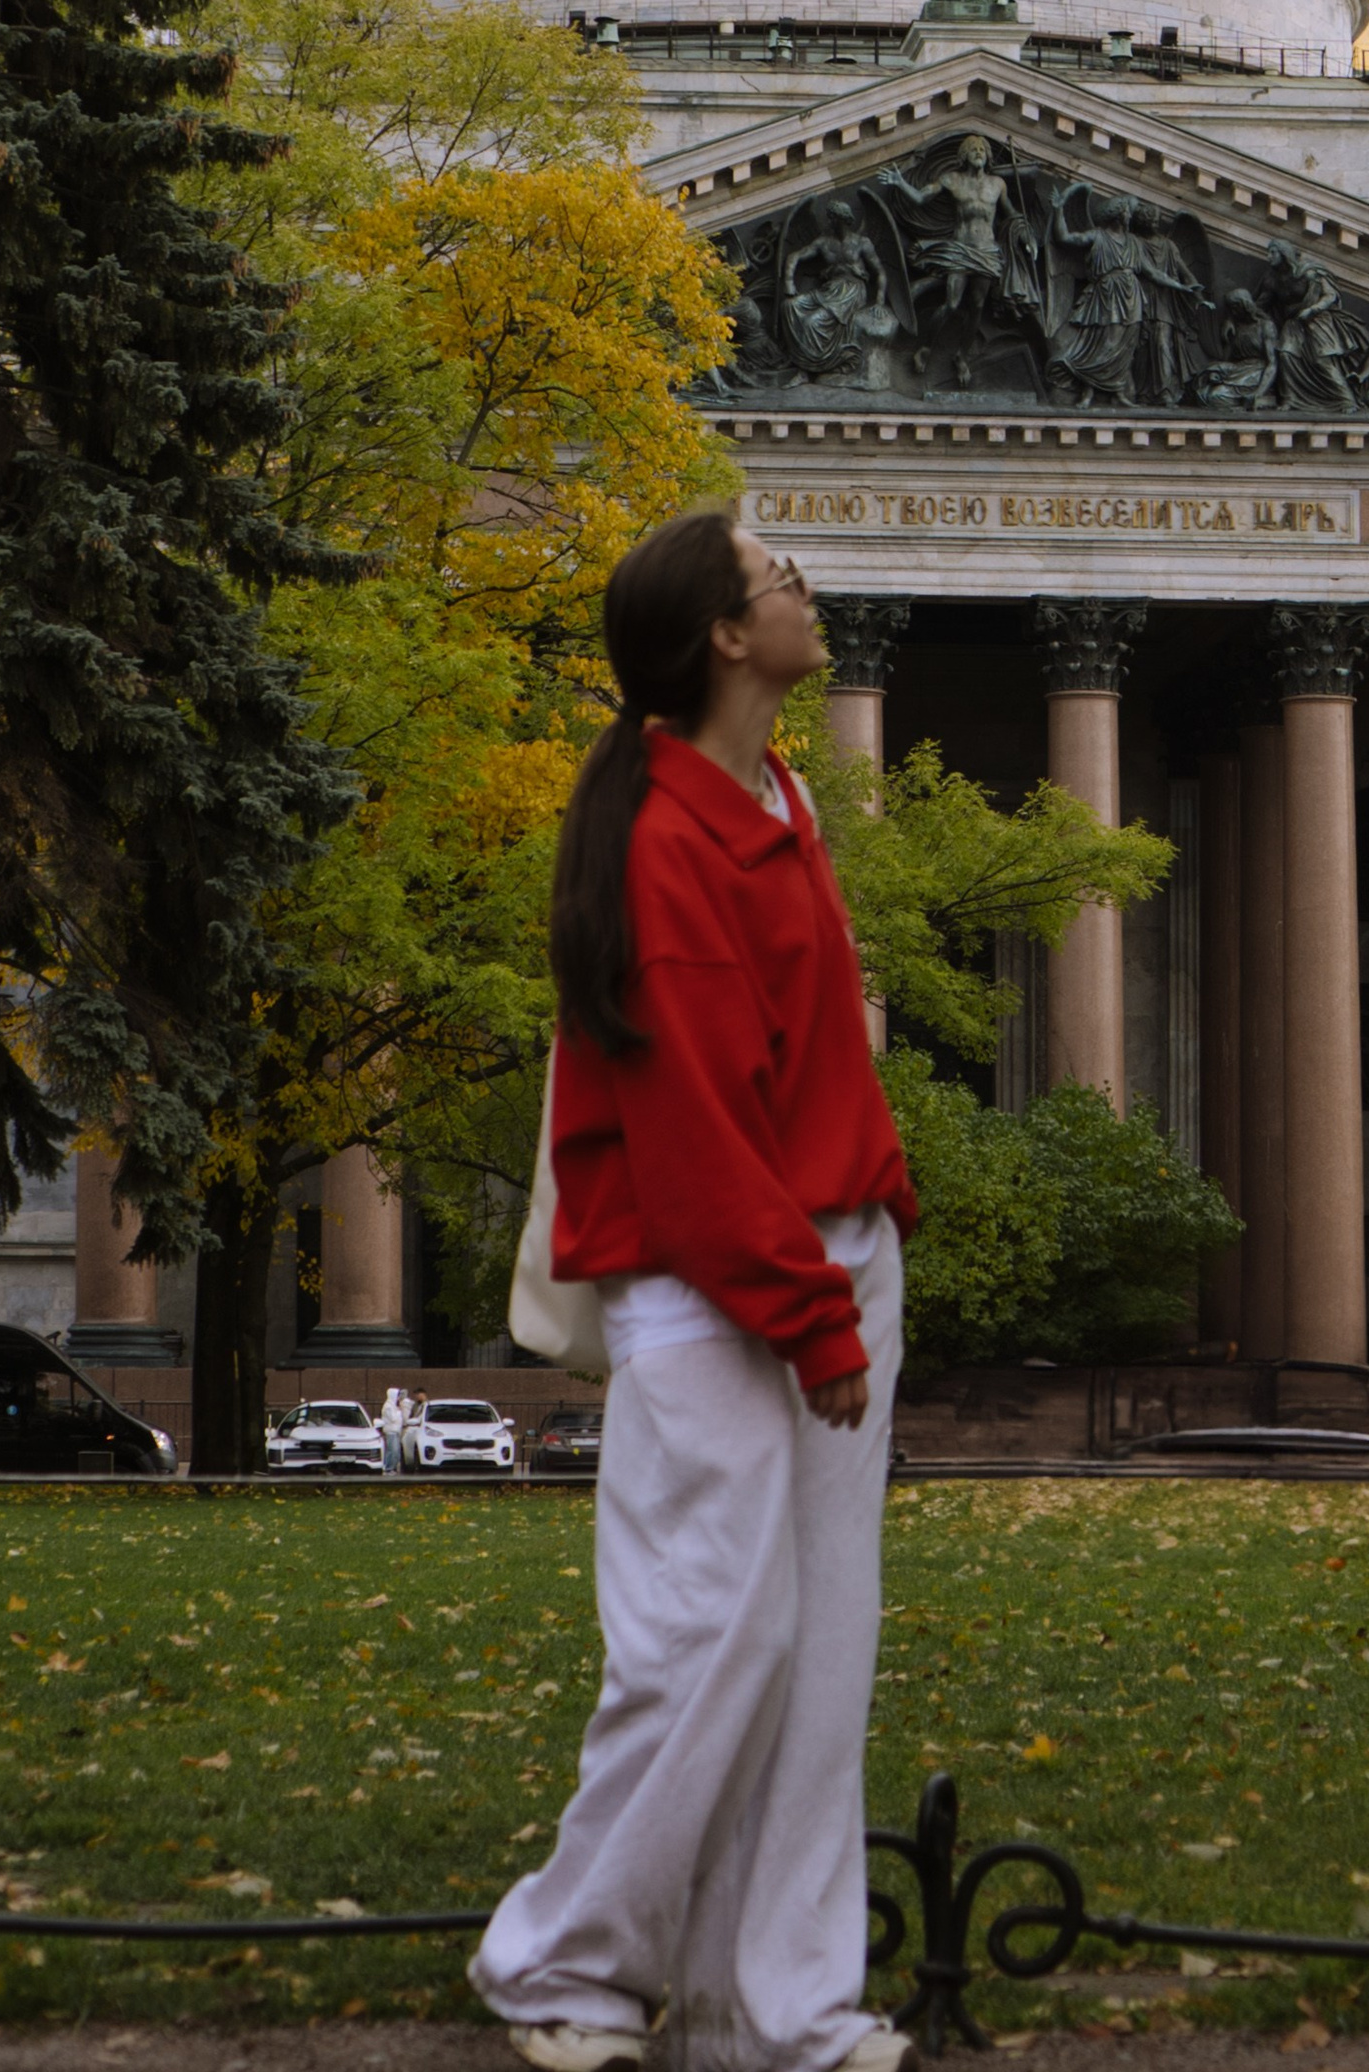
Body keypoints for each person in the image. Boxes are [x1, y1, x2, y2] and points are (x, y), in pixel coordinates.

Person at [470, 509, 919, 2072]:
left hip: (826, 1251)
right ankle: (562, 1967)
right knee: (708, 1641)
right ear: (726, 638)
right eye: (778, 579)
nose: (805, 588)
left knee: (818, 1658)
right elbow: (694, 1125)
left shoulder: (774, 790)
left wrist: (864, 1223)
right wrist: (807, 1310)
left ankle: (775, 2012)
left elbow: (793, 1068)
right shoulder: (669, 835)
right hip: (722, 1280)